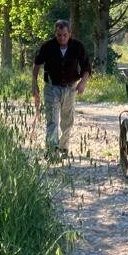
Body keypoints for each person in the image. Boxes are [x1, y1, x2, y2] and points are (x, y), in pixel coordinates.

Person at [32, 20, 91, 157]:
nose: (62, 38)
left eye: (65, 35)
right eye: (59, 35)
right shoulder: (47, 46)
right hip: (52, 87)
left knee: (67, 120)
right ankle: (52, 151)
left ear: (70, 33)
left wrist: (83, 82)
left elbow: (86, 67)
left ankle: (63, 148)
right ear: (55, 33)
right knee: (52, 120)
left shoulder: (77, 46)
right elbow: (36, 65)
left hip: (70, 88)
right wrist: (34, 84)